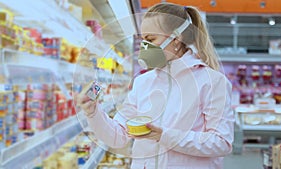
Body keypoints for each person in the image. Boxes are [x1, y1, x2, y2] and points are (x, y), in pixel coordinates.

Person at [77, 2, 234, 169]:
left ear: (176, 38)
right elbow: (118, 137)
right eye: (143, 39)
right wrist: (93, 111)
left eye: (151, 39)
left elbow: (221, 142)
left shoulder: (212, 82)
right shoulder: (143, 82)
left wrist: (164, 136)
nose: (144, 46)